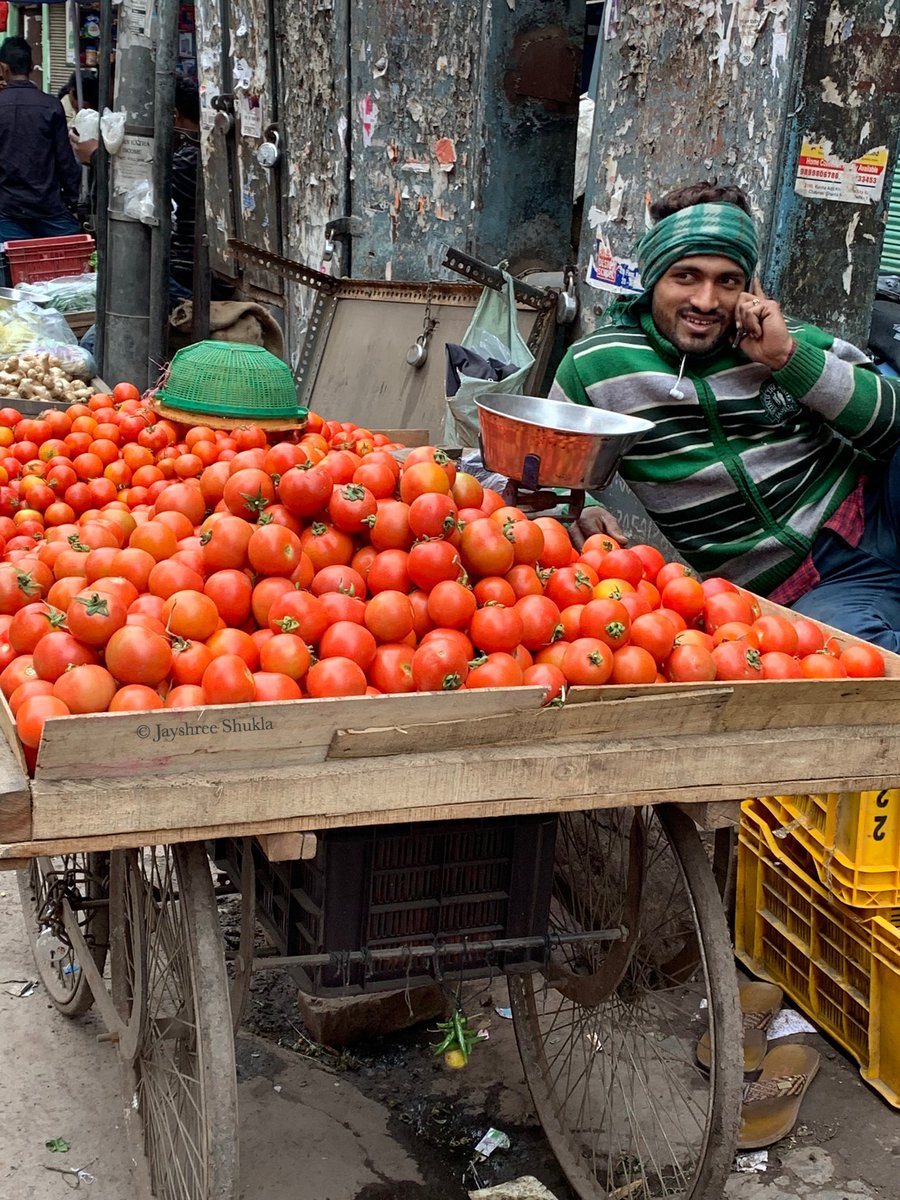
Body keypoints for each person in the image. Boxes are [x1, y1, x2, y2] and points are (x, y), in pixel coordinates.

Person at [551, 181, 900, 651]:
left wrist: (788, 357)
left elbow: (892, 421)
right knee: (859, 658)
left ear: (749, 287)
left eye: (728, 281)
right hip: (802, 590)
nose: (707, 301)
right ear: (654, 278)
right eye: (686, 276)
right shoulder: (597, 366)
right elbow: (545, 463)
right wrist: (584, 509)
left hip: (876, 513)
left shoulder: (778, 337)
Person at [0, 37, 81, 250]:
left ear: (3, 68)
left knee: (11, 270)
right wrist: (72, 201)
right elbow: (65, 162)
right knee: (66, 270)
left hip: (7, 210)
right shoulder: (51, 105)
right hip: (49, 210)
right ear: (30, 66)